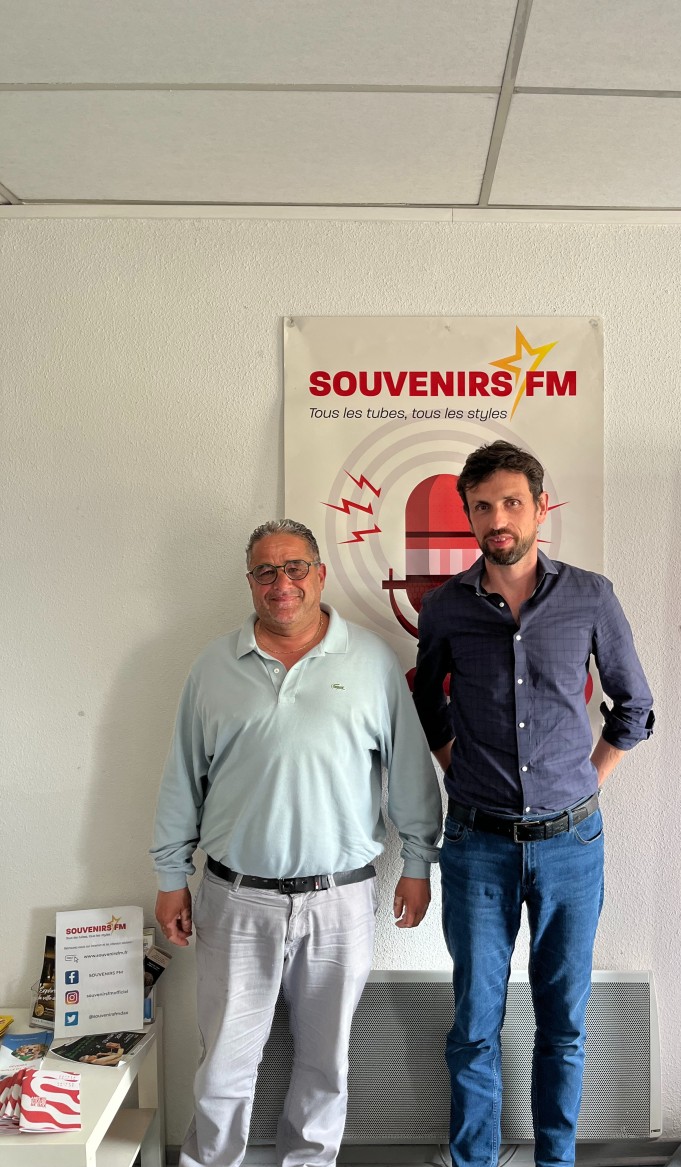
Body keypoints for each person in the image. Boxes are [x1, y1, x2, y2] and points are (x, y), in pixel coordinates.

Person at [151, 519, 442, 1167]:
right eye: (265, 571)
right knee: (223, 1065)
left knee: (325, 1063)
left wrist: (418, 863)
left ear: (319, 574)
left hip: (340, 901)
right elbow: (181, 778)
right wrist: (171, 875)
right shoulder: (213, 667)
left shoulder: (370, 661)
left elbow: (411, 774)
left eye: (294, 568)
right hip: (234, 899)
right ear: (250, 581)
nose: (280, 583)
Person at [413, 441, 654, 1167]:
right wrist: (456, 765)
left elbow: (634, 706)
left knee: (563, 1024)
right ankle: (475, 1161)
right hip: (476, 846)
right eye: (482, 506)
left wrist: (588, 779)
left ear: (539, 507)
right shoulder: (444, 608)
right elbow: (427, 701)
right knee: (474, 1026)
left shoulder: (590, 596)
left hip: (571, 846)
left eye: (511, 502)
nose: (498, 519)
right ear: (468, 516)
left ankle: (556, 1160)